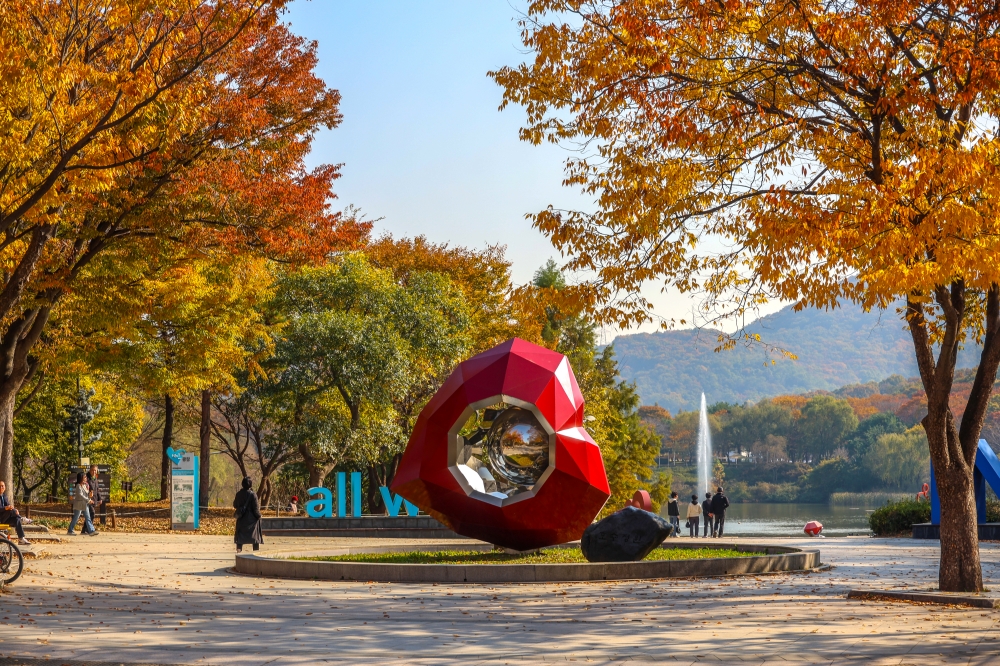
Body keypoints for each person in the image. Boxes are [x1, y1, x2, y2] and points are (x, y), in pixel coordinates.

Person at [233, 477, 263, 553]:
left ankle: (239, 550)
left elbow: (235, 505)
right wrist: (259, 516)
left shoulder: (238, 494)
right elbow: (255, 509)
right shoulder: (253, 495)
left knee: (240, 535)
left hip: (241, 518)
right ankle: (256, 551)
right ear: (250, 484)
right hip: (251, 519)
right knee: (255, 535)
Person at [0, 481, 31, 545]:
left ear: (5, 487)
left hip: (5, 519)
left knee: (16, 520)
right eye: (0, 486)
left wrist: (14, 509)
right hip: (0, 518)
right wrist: (6, 508)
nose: (1, 487)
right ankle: (22, 518)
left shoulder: (4, 496)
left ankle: (21, 539)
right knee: (9, 510)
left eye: (2, 486)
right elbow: (5, 508)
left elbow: (9, 506)